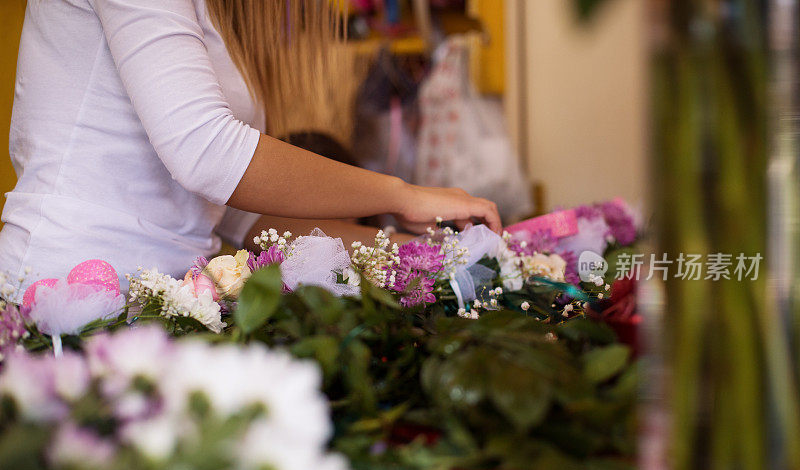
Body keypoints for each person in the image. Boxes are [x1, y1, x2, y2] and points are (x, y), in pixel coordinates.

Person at [0, 0, 500, 296]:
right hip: (65, 289)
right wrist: (400, 195)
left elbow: (239, 216)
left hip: (173, 294)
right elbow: (208, 153)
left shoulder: (217, 19)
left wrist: (417, 254)